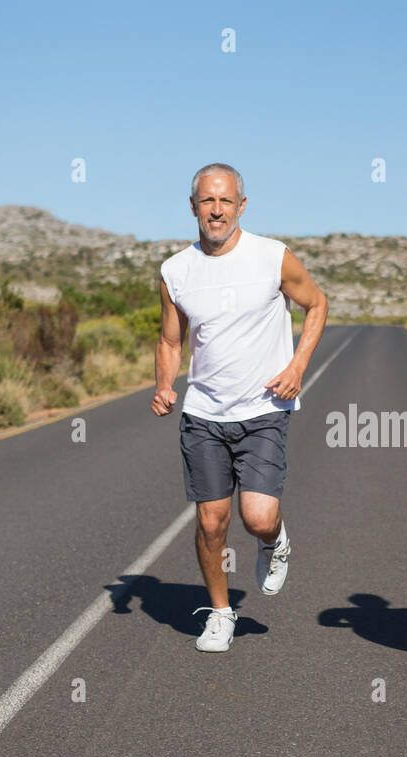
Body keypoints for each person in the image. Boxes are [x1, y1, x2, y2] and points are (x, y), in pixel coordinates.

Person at [152, 163, 328, 652]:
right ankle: (221, 613)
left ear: (241, 206)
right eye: (207, 201)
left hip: (264, 409)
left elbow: (317, 304)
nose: (216, 210)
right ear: (193, 206)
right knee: (211, 522)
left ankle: (275, 541)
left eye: (225, 200)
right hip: (204, 414)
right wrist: (164, 384)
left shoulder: (272, 257)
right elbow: (170, 340)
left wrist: (297, 367)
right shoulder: (175, 271)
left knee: (257, 518)